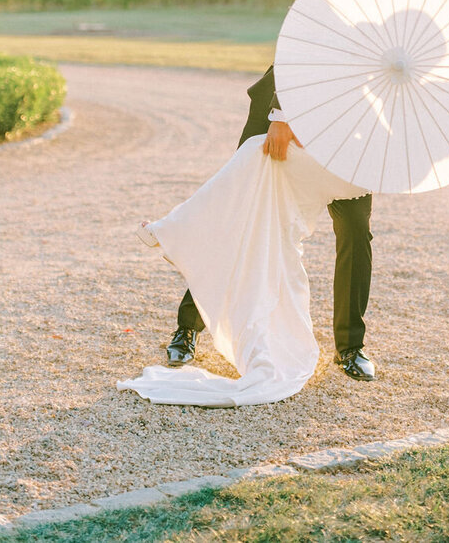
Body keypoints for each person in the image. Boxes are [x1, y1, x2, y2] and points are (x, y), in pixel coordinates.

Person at [118, 66, 374, 407]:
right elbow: (300, 51)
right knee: (239, 215)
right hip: (282, 109)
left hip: (348, 133)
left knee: (356, 230)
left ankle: (350, 347)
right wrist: (282, 114)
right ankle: (188, 327)